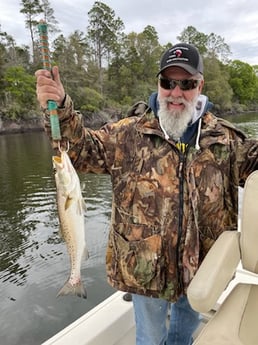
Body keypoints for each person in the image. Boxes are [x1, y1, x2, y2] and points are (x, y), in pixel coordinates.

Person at [35, 43, 258, 345]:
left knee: (183, 336)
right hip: (144, 271)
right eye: (168, 82)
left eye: (187, 84)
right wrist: (60, 106)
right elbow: (79, 150)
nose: (176, 93)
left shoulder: (228, 141)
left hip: (201, 268)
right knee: (150, 339)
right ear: (158, 84)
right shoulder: (125, 134)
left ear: (200, 85)